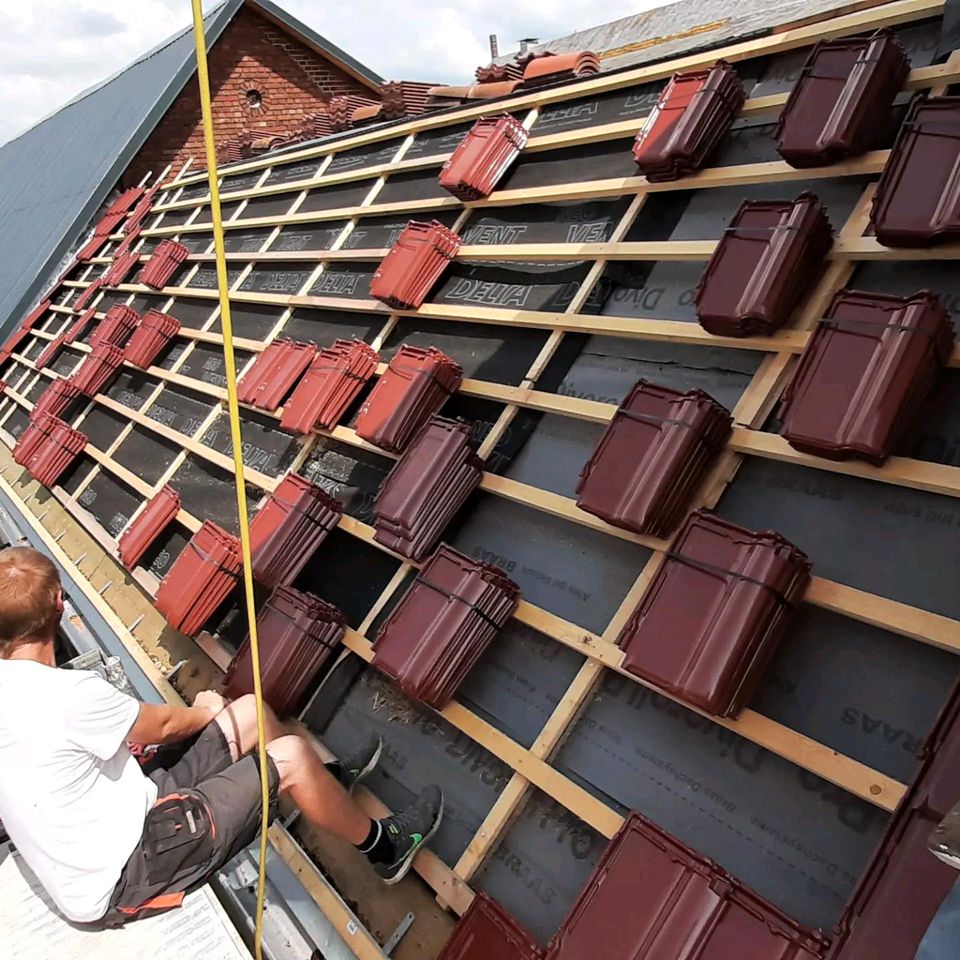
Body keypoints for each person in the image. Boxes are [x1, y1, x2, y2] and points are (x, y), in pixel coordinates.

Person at [0, 546, 443, 926]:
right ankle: (385, 848)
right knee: (285, 754)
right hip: (125, 872)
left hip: (130, 811)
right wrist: (204, 710)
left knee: (249, 712)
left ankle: (325, 782)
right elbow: (167, 726)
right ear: (60, 605)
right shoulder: (68, 694)